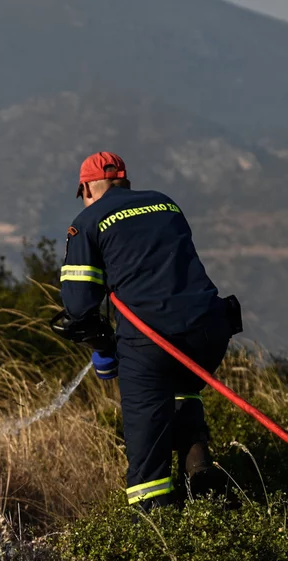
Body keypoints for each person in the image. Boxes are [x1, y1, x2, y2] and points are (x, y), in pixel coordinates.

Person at [52, 151, 240, 512]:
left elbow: (78, 307)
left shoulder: (86, 221)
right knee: (182, 389)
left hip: (153, 340)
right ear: (125, 182)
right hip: (210, 330)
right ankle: (201, 474)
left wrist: (103, 348)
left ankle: (156, 527)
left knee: (147, 451)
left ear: (87, 188)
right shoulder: (165, 203)